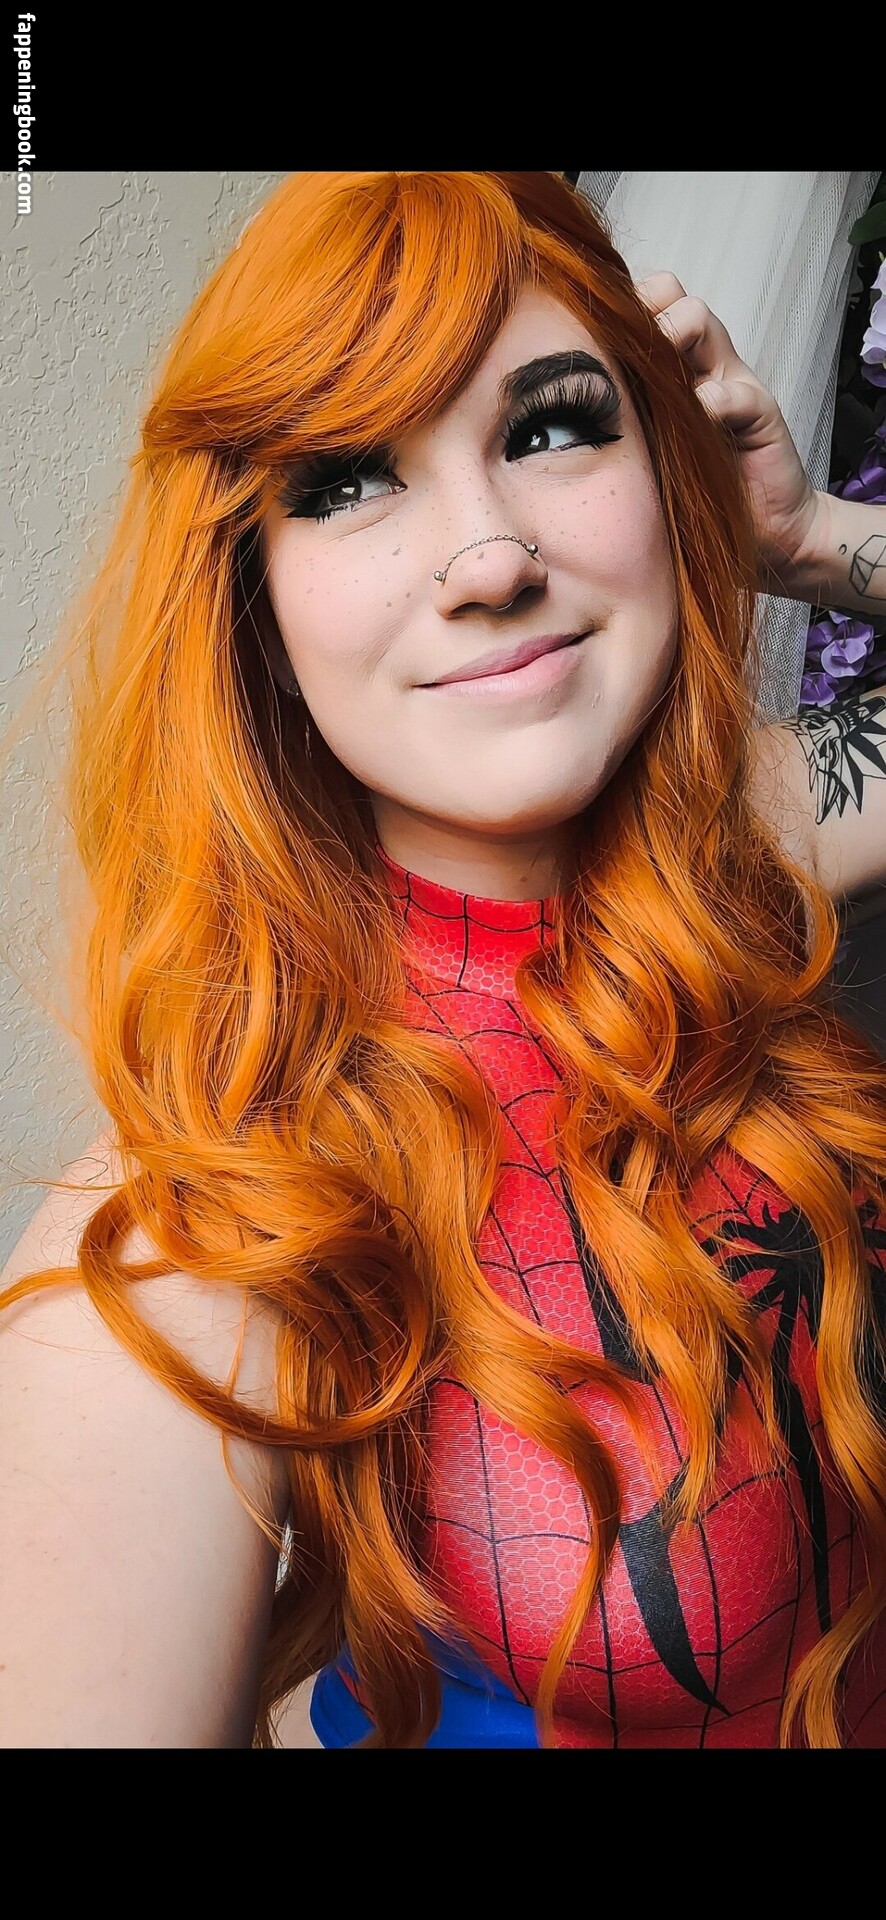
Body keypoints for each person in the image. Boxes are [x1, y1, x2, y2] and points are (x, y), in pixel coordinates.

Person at [1, 171, 885, 1752]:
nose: (486, 557)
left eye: (552, 428)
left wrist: (807, 538)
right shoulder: (190, 1234)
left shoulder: (747, 850)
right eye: (347, 479)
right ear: (253, 606)